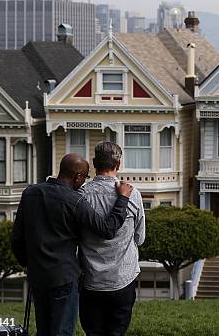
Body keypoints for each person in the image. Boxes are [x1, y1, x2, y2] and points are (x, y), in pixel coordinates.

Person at [11, 153, 133, 336]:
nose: (83, 182)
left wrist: (30, 264)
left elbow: (17, 239)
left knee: (43, 330)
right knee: (61, 331)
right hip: (64, 278)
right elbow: (107, 230)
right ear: (77, 176)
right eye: (84, 178)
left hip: (37, 277)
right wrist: (122, 198)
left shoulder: (30, 193)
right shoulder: (74, 200)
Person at [78, 142, 146, 336]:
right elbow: (140, 238)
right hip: (122, 280)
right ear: (119, 164)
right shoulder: (133, 195)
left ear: (94, 164)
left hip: (91, 280)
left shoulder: (81, 196)